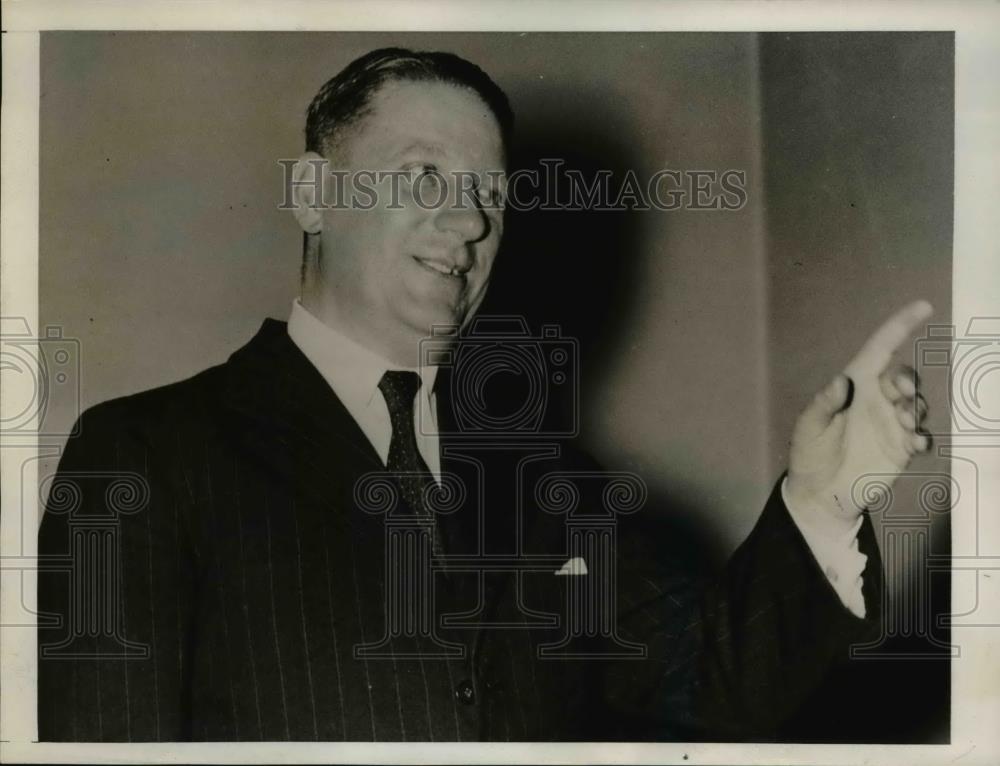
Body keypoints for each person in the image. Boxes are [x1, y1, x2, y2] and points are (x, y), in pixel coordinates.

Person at [37, 48, 933, 742]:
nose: (468, 222)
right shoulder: (147, 454)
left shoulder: (551, 484)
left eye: (488, 196)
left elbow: (726, 677)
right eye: (425, 177)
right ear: (313, 193)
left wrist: (828, 498)